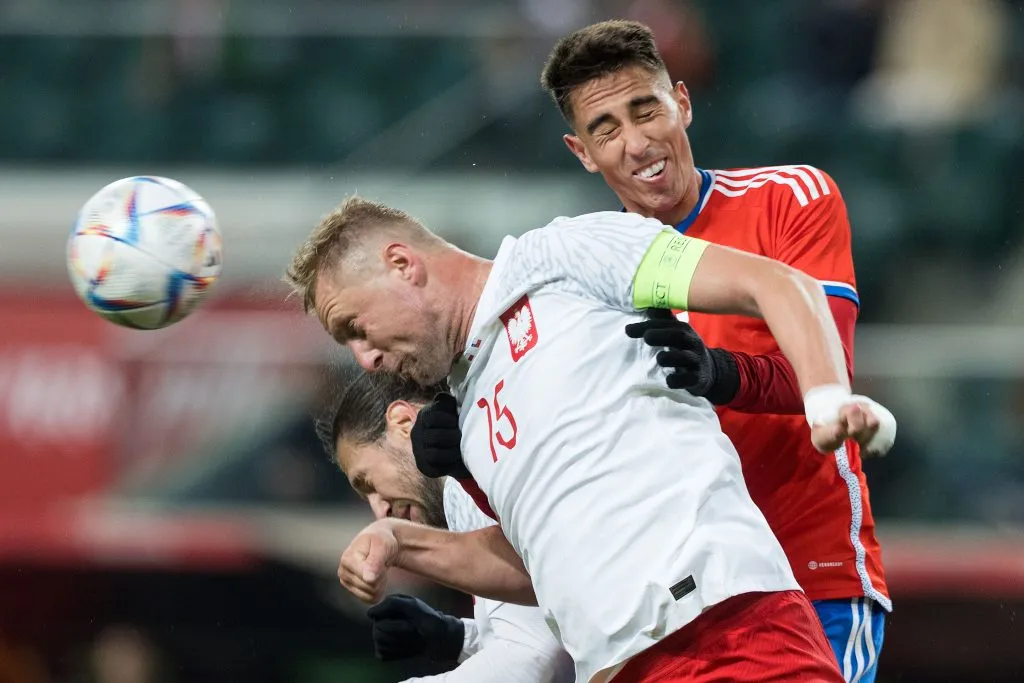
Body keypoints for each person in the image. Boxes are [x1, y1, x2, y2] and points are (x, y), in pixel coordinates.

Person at [285, 194, 896, 682]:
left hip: (723, 637)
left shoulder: (560, 256)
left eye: (354, 327)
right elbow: (538, 573)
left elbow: (778, 283)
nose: (363, 358)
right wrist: (397, 541)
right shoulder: (468, 414)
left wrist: (824, 398)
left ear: (401, 264)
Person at [535, 20, 890, 682]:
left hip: (812, 576)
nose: (637, 142)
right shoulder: (577, 277)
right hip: (681, 604)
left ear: (683, 103)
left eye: (646, 109)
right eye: (606, 127)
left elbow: (828, 372)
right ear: (581, 152)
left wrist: (719, 372)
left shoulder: (791, 198)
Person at [317, 369, 573, 682]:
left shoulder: (464, 480)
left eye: (368, 482)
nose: (379, 509)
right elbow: (556, 620)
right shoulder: (485, 455)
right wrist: (457, 637)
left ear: (403, 424)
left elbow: (530, 660)